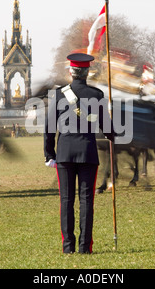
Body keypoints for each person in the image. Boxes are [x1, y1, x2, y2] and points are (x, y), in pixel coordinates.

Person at [44, 52, 114, 254]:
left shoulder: (57, 95)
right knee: (86, 201)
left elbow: (49, 128)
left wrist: (49, 153)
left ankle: (68, 247)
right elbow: (107, 128)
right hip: (88, 153)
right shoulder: (97, 95)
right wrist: (114, 136)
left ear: (71, 72)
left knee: (66, 201)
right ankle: (85, 247)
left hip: (65, 154)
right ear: (86, 72)